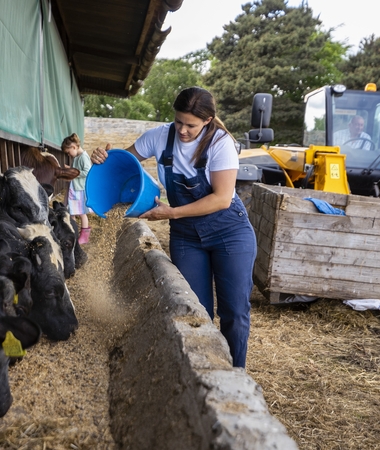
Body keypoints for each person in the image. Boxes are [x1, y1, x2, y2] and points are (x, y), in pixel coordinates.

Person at [91, 87, 256, 368]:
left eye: (190, 125)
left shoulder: (220, 144)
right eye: (178, 121)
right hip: (187, 236)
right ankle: (201, 368)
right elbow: (124, 164)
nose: (182, 130)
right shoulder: (159, 137)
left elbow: (221, 198)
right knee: (195, 309)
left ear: (207, 120)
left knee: (235, 312)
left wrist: (171, 212)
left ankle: (234, 371)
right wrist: (101, 158)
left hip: (229, 231)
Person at [62, 133, 93, 244]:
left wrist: (73, 172)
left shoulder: (83, 157)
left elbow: (87, 171)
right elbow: (77, 170)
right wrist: (70, 169)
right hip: (74, 189)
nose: (69, 155)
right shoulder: (77, 157)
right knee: (72, 212)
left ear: (74, 147)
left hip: (79, 189)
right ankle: (73, 233)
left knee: (81, 212)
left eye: (68, 152)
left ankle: (84, 237)